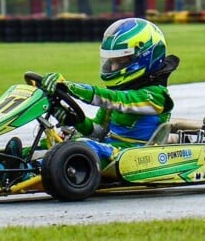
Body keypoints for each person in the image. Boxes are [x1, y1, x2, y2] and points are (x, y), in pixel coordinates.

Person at [39, 18, 179, 165]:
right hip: (112, 148)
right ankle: (18, 161)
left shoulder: (156, 95)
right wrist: (73, 119)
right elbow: (98, 130)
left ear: (144, 58)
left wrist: (73, 88)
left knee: (78, 147)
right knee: (56, 143)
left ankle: (35, 169)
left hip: (137, 154)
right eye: (112, 62)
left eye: (121, 61)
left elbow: (121, 101)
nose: (113, 68)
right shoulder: (120, 90)